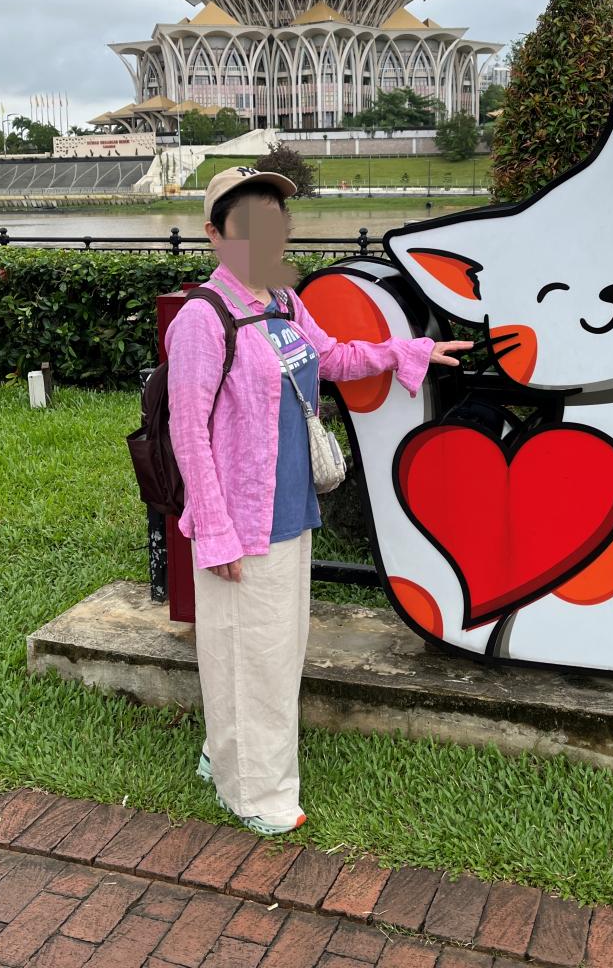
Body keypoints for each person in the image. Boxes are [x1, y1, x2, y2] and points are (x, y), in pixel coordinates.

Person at [164, 166, 472, 835]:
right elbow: (188, 432)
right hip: (240, 520)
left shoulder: (283, 303)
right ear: (215, 233)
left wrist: (409, 351)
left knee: (272, 649)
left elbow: (331, 358)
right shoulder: (202, 319)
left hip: (291, 505)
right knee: (250, 654)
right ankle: (255, 793)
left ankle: (222, 752)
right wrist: (213, 531)